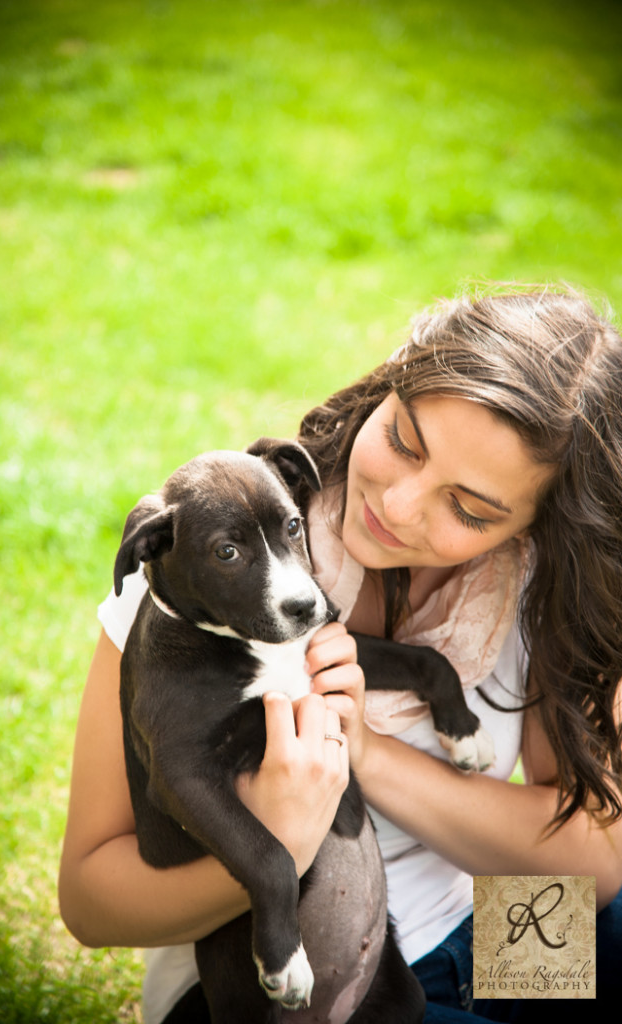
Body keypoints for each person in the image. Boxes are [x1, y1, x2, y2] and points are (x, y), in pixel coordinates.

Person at [58, 286, 622, 1022]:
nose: (397, 504)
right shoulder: (196, 568)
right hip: (291, 980)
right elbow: (92, 903)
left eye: (468, 508)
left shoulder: (542, 589)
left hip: (485, 928)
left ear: (535, 529)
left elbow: (591, 855)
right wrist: (278, 845)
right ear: (388, 382)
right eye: (402, 440)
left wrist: (367, 753)